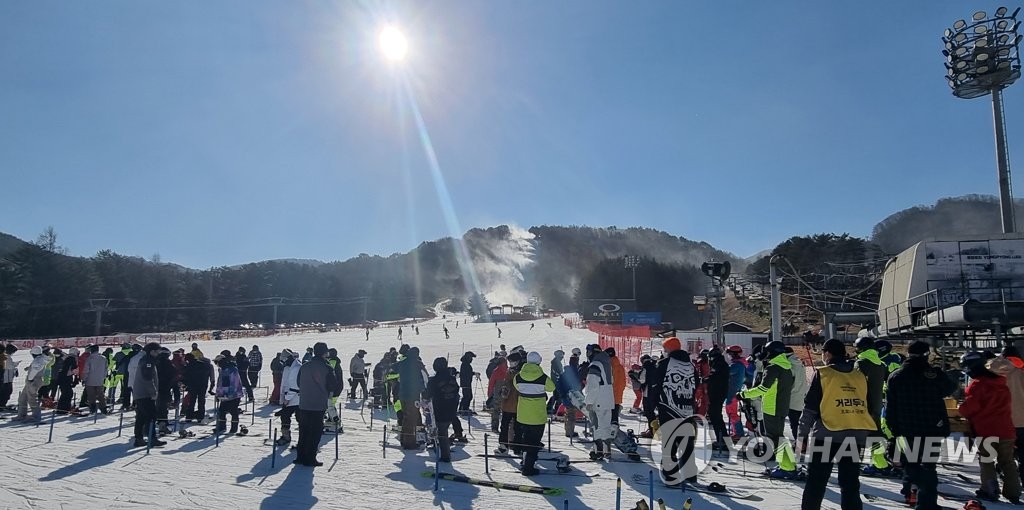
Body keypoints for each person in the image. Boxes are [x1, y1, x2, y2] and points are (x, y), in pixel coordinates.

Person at [798, 338, 875, 510]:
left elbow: (810, 408)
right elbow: (868, 405)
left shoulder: (823, 373)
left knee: (816, 482)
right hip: (855, 435)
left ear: (827, 353)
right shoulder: (859, 376)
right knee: (850, 483)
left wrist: (801, 436)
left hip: (827, 434)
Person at [886, 340, 956, 509]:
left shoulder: (896, 376)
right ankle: (926, 502)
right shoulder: (933, 374)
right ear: (926, 355)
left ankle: (911, 493)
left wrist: (894, 431)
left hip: (906, 428)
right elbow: (950, 388)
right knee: (928, 466)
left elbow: (890, 407)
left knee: (911, 462)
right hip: (933, 426)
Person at [958, 351, 1022, 504]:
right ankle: (1013, 492)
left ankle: (989, 489)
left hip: (987, 429)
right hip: (1006, 429)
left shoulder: (978, 384)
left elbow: (970, 407)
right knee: (1008, 461)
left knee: (987, 460)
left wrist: (962, 408)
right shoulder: (1001, 383)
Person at [739, 340, 797, 479]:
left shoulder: (773, 367)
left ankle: (787, 468)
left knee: (775, 438)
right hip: (781, 406)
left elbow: (763, 388)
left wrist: (743, 394)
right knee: (779, 437)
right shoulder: (787, 367)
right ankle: (787, 465)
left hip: (772, 408)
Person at [854, 337, 893, 476]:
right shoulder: (881, 364)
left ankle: (852, 463)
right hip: (877, 404)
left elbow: (854, 384)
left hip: (862, 404)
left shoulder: (861, 363)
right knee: (875, 434)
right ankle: (880, 462)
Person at [295, 342, 337, 466]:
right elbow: (332, 385)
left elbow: (298, 383)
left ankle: (300, 456)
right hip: (318, 404)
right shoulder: (327, 367)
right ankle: (310, 458)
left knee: (303, 431)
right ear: (325, 353)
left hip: (304, 403)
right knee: (315, 432)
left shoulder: (305, 366)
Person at [513, 351, 555, 475]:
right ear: (539, 362)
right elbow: (551, 388)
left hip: (523, 414)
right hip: (537, 415)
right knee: (534, 442)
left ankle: (525, 461)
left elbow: (516, 386)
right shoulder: (542, 377)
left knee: (526, 439)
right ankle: (528, 468)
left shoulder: (519, 376)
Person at [991, 344, 1024, 490]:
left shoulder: (992, 371)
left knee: (1004, 455)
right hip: (1022, 421)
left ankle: (1006, 479)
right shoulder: (1021, 371)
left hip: (1002, 420)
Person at [584, 344, 616, 460]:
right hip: (608, 398)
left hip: (598, 400)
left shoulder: (595, 364)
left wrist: (588, 401)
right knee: (606, 425)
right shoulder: (606, 363)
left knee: (596, 426)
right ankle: (607, 450)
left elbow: (593, 386)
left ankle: (599, 451)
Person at [426, 357, 460, 462]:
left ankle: (445, 456)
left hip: (439, 410)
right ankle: (439, 447)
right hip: (452, 409)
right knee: (442, 431)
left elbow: (428, 394)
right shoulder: (452, 378)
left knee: (442, 433)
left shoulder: (434, 380)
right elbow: (456, 391)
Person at [132, 342, 164, 447]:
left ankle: (139, 438)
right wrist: (153, 392)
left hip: (140, 393)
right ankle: (152, 438)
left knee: (141, 417)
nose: (158, 353)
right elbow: (147, 379)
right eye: (157, 351)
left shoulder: (147, 361)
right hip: (144, 394)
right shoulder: (147, 362)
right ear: (152, 351)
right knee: (151, 416)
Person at [395, 346, 426, 449]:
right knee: (411, 419)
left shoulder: (402, 363)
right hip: (413, 395)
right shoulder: (418, 364)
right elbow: (425, 377)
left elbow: (392, 369)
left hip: (402, 394)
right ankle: (409, 443)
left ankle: (404, 440)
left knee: (406, 418)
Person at [494, 351, 523, 454]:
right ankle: (517, 447)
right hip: (516, 404)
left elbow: (507, 387)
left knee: (507, 426)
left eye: (512, 362)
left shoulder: (513, 373)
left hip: (510, 403)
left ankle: (505, 446)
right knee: (515, 426)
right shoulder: (518, 372)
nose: (511, 364)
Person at [14, 346, 51, 423]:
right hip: (32, 380)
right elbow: (35, 368)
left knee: (32, 399)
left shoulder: (38, 361)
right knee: (23, 398)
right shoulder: (39, 359)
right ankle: (22, 414)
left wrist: (30, 380)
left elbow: (34, 371)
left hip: (33, 381)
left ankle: (36, 416)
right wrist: (29, 368)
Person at [213, 350, 245, 434]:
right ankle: (221, 427)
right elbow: (220, 384)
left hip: (234, 395)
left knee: (233, 412)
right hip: (224, 396)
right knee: (221, 411)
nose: (217, 365)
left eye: (217, 363)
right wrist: (218, 394)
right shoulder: (222, 370)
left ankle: (233, 429)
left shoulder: (232, 369)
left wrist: (229, 394)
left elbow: (235, 383)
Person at [706, 346, 731, 452]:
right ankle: (721, 439)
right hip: (718, 393)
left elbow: (714, 378)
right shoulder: (720, 363)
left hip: (717, 394)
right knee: (715, 416)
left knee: (716, 416)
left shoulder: (719, 364)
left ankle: (722, 441)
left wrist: (705, 380)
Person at [276, 350, 301, 446]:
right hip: (288, 397)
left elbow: (294, 386)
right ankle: (286, 436)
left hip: (295, 398)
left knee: (300, 419)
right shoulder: (288, 368)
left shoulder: (296, 368)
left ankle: (302, 440)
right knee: (285, 417)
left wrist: (286, 399)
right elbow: (284, 384)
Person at [725, 345, 747, 440]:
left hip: (732, 393)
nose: (729, 356)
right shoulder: (740, 364)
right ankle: (736, 432)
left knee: (732, 413)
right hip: (734, 392)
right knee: (732, 413)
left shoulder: (736, 365)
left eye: (730, 354)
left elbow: (726, 372)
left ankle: (738, 433)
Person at [786, 347, 808, 441]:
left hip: (792, 398)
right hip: (801, 396)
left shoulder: (789, 365)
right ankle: (803, 443)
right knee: (800, 423)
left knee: (794, 423)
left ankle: (799, 443)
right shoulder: (799, 363)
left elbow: (788, 384)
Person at [182, 354, 210, 422]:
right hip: (202, 385)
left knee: (191, 401)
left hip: (193, 386)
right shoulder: (202, 364)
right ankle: (200, 416)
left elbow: (187, 377)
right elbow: (206, 375)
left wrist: (185, 384)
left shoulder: (189, 366)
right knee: (201, 401)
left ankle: (189, 416)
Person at [82, 344, 108, 415]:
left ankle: (93, 408)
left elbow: (86, 370)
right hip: (100, 380)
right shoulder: (103, 358)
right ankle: (103, 408)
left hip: (90, 380)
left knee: (91, 395)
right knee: (101, 395)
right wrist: (103, 377)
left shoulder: (89, 359)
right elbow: (106, 369)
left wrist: (84, 379)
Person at [155, 348, 175, 434]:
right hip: (165, 387)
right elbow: (173, 373)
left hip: (155, 387)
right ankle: (162, 424)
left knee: (159, 405)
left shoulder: (155, 362)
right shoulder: (167, 363)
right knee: (163, 406)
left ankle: (161, 421)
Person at [486, 354, 508, 433]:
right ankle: (506, 428)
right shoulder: (508, 371)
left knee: (496, 411)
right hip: (507, 395)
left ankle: (494, 427)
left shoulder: (495, 371)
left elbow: (491, 384)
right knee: (506, 412)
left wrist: (489, 394)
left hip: (497, 394)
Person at [606, 347, 626, 425]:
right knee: (615, 416)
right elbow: (624, 381)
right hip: (618, 394)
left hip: (609, 395)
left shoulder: (608, 366)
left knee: (607, 417)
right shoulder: (620, 367)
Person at [325, 348, 344, 428]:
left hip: (334, 388)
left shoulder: (332, 362)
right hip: (336, 386)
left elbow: (329, 374)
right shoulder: (334, 361)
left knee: (330, 405)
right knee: (331, 405)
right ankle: (331, 418)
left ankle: (336, 422)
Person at [55, 347, 79, 412]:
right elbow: (74, 369)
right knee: (68, 393)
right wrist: (76, 379)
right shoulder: (72, 359)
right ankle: (63, 409)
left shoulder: (66, 358)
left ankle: (63, 408)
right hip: (66, 378)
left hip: (61, 377)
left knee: (65, 393)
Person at [547, 350, 565, 415]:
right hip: (557, 382)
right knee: (558, 396)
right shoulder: (556, 363)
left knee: (556, 395)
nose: (562, 357)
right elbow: (559, 372)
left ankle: (550, 408)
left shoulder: (555, 362)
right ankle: (556, 408)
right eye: (562, 356)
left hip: (555, 381)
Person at [0, 344, 18, 408]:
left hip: (8, 378)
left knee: (6, 392)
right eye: (13, 351)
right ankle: (2, 404)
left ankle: (2, 404)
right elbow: (9, 366)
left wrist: (15, 369)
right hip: (6, 379)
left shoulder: (6, 356)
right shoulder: (6, 357)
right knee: (6, 392)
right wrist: (15, 366)